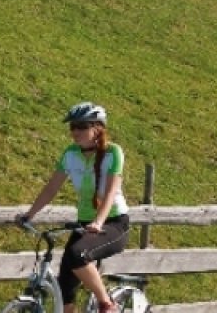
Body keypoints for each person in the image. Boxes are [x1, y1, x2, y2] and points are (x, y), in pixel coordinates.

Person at [16, 102, 131, 313]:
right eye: (72, 127)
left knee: (77, 254)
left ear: (97, 128)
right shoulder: (70, 153)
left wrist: (98, 222)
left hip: (113, 223)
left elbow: (111, 192)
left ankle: (107, 304)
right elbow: (51, 188)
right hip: (85, 225)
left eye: (81, 126)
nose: (75, 132)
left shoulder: (113, 152)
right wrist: (29, 215)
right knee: (65, 287)